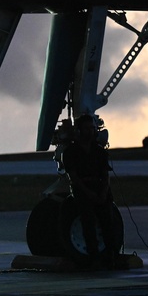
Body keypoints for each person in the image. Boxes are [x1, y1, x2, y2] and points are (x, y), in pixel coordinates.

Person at [62, 114, 117, 269]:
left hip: (100, 189)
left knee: (108, 223)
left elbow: (106, 175)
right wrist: (89, 193)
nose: (91, 132)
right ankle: (94, 258)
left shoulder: (99, 151)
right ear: (79, 131)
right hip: (83, 191)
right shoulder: (71, 152)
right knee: (88, 223)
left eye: (93, 128)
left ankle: (111, 256)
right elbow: (74, 178)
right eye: (87, 128)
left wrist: (103, 193)